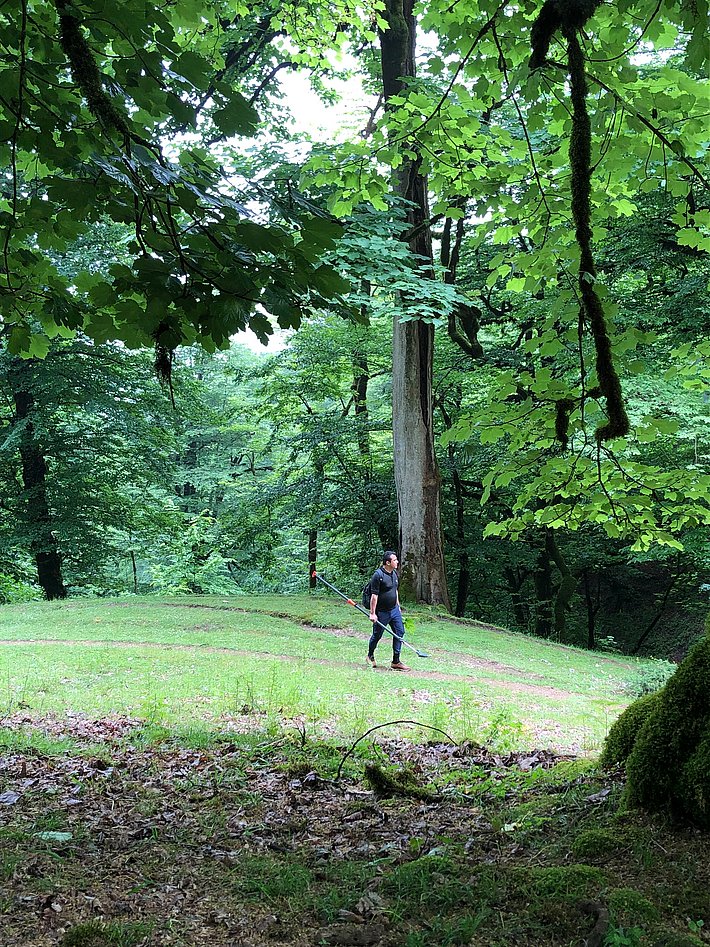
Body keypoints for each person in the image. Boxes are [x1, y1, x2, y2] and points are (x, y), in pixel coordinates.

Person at [367, 551, 410, 671]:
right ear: (388, 562)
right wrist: (372, 613)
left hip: (394, 610)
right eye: (395, 560)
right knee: (377, 635)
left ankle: (396, 661)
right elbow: (374, 596)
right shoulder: (378, 575)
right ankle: (370, 656)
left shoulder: (394, 573)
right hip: (382, 612)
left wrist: (398, 605)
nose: (397, 562)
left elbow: (395, 590)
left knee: (399, 633)